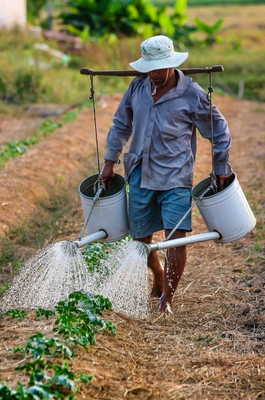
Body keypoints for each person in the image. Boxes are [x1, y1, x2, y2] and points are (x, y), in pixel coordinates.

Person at [100, 35, 233, 313]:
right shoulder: (137, 87)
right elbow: (120, 124)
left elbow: (219, 131)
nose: (154, 74)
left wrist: (221, 166)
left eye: (159, 68)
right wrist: (109, 161)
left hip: (176, 176)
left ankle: (167, 300)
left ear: (172, 64)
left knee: (176, 238)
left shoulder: (192, 94)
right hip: (139, 173)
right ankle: (158, 274)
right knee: (140, 241)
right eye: (149, 68)